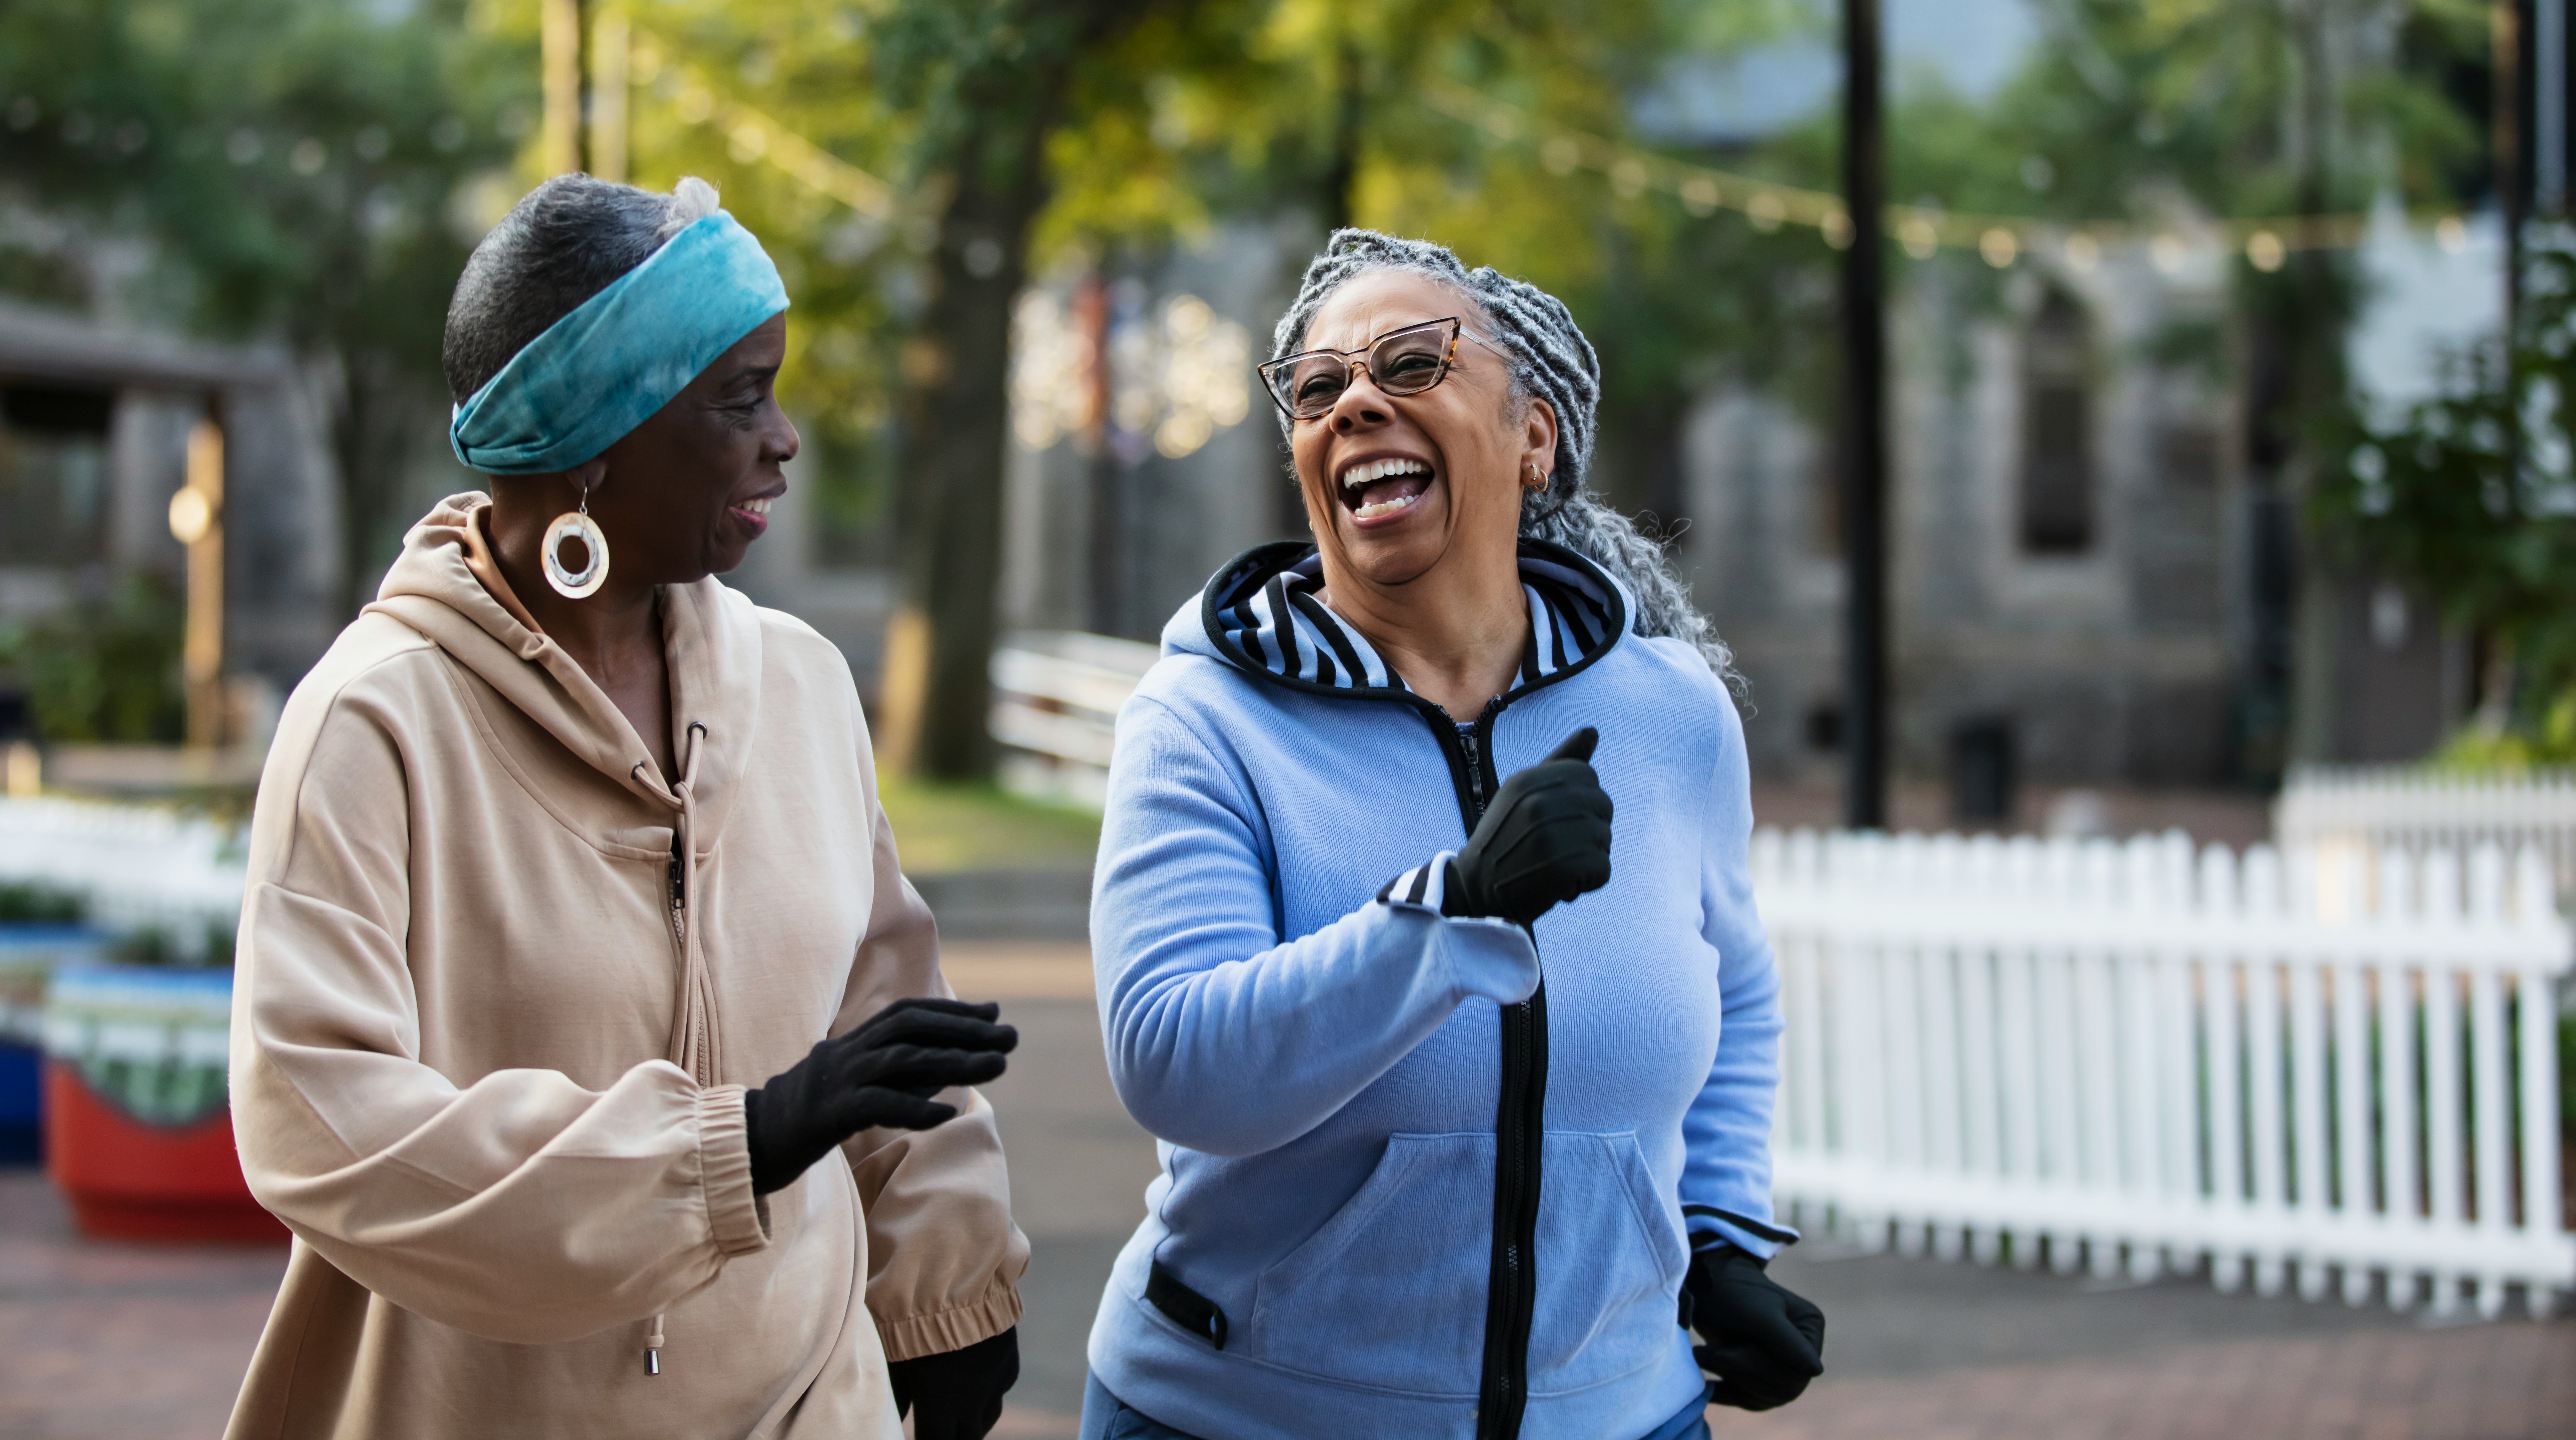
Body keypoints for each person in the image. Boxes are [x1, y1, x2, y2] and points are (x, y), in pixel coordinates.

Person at [225, 175, 1026, 1440]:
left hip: (811, 1396)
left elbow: (884, 1008)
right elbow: (322, 1120)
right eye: (739, 397)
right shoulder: (374, 721)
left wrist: (947, 1285)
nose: (786, 439)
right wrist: (733, 1144)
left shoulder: (803, 683)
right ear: (596, 441)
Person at [1079, 230, 1826, 1440]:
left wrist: (1723, 1237)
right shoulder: (1205, 718)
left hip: (1625, 1415)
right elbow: (1174, 1063)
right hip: (1246, 1418)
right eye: (1319, 389)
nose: (1359, 400)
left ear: (1533, 439)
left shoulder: (1670, 710)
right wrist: (1452, 911)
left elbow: (1734, 993)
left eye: (1414, 362)